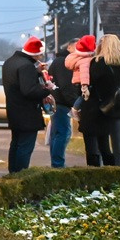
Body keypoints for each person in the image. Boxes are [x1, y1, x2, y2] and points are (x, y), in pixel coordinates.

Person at [81, 34, 120, 167]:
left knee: (102, 143)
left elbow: (92, 84)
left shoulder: (96, 63)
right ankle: (118, 169)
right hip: (119, 106)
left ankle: (102, 170)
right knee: (119, 145)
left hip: (101, 107)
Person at [1, 36, 54, 173]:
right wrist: (47, 89)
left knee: (16, 143)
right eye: (40, 55)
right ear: (36, 54)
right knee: (25, 147)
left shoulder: (10, 62)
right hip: (27, 113)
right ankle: (21, 174)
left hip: (14, 110)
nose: (40, 58)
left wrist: (35, 73)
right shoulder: (26, 66)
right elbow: (29, 90)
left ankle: (12, 174)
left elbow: (19, 82)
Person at [47, 39, 81, 168]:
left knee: (57, 133)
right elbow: (66, 86)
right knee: (63, 133)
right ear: (69, 47)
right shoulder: (65, 62)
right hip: (62, 102)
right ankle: (58, 165)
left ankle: (56, 164)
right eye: (77, 47)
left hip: (58, 101)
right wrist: (74, 103)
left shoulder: (59, 60)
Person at [66, 34, 96, 104]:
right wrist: (85, 87)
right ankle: (75, 109)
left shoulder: (77, 57)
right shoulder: (85, 60)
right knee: (82, 99)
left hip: (76, 82)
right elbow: (84, 74)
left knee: (80, 98)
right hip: (82, 83)